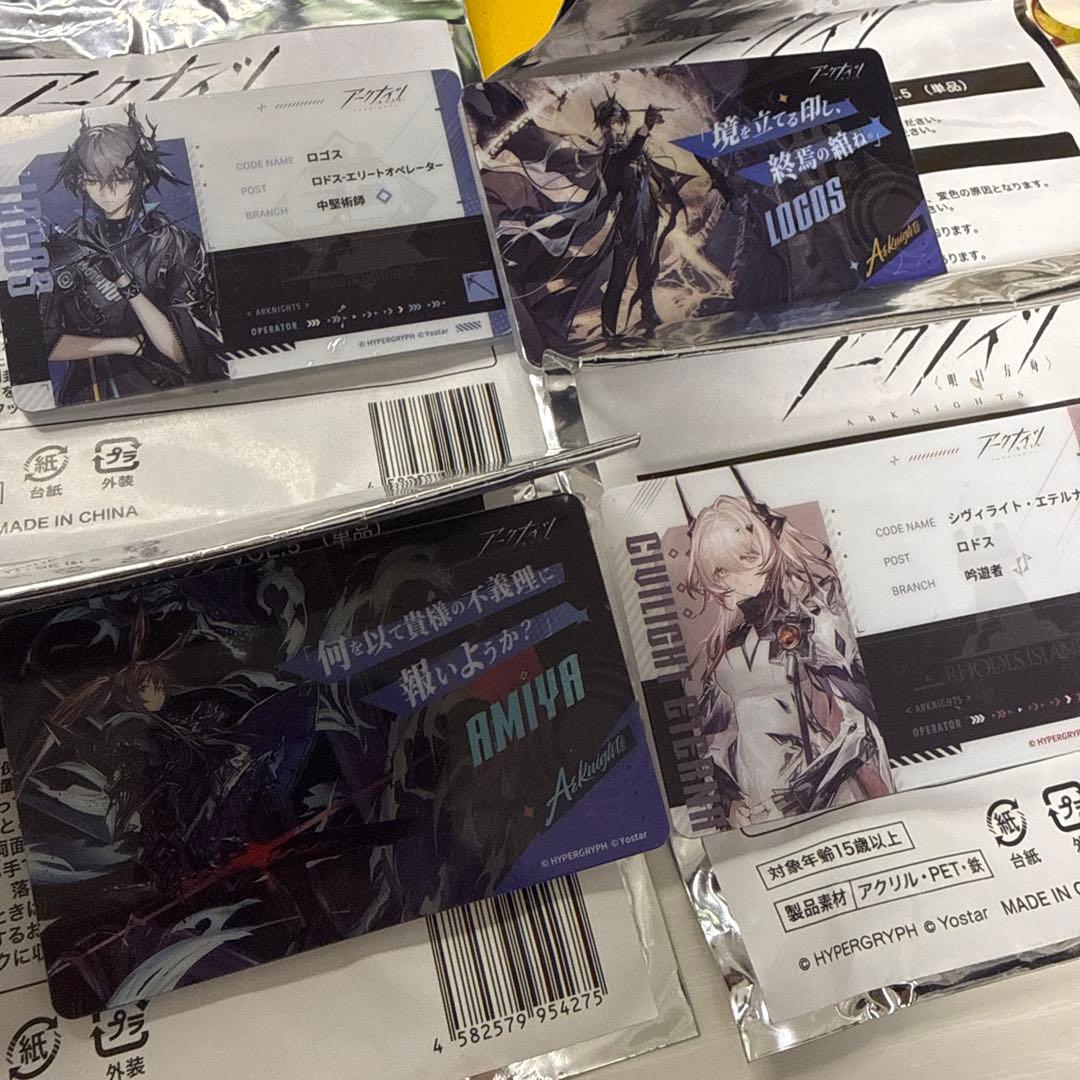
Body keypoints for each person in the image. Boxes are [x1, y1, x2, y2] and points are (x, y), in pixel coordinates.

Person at [684, 485, 893, 828]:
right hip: (759, 804)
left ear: (768, 553)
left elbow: (860, 722)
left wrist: (810, 788)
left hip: (824, 795)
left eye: (742, 561)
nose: (727, 581)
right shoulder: (727, 652)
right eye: (718, 571)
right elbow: (710, 739)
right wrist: (729, 800)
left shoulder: (813, 623)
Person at [41, 104, 220, 404]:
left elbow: (183, 352)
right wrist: (123, 345)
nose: (106, 192)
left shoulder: (174, 243)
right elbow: (42, 344)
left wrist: (127, 286)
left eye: (120, 179)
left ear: (142, 178)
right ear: (81, 182)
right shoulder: (66, 243)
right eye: (93, 180)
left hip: (165, 392)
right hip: (86, 396)